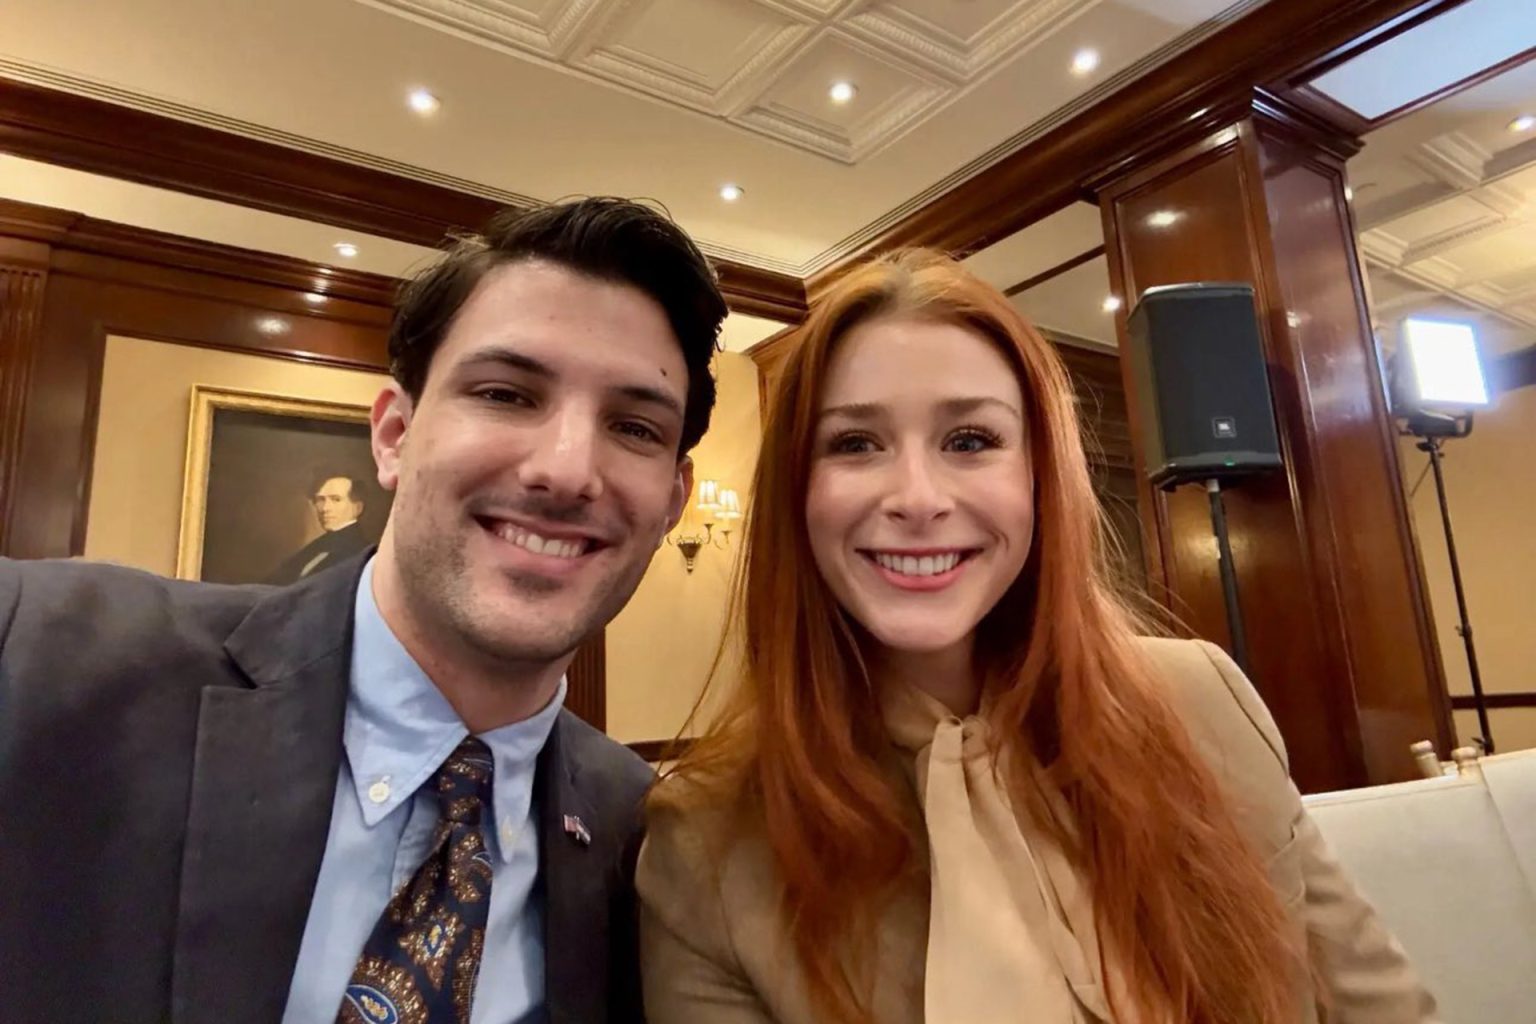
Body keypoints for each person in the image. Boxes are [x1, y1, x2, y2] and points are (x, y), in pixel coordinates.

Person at [637, 250, 1439, 1023]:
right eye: (855, 444)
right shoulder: (705, 840)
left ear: (1039, 475)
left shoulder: (1204, 701)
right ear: (795, 493)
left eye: (970, 441)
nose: (917, 497)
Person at [0, 197, 727, 1024]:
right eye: (505, 394)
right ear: (393, 436)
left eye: (634, 427)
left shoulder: (644, 835)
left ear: (673, 502)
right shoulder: (37, 651)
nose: (566, 470)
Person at [266, 473, 373, 584]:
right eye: (320, 500)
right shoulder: (320, 544)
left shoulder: (359, 552)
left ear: (358, 508)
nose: (325, 508)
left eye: (336, 499)